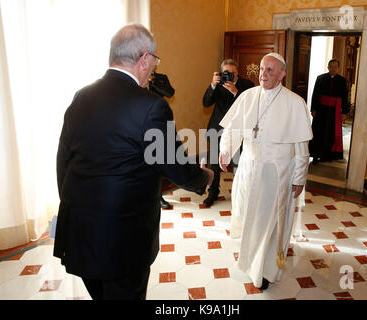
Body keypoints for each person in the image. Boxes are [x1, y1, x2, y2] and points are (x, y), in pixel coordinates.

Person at [53, 24, 214, 300]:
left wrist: (74, 207)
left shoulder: (82, 96)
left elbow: (63, 160)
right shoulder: (151, 106)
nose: (153, 68)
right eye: (154, 60)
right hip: (122, 240)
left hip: (79, 230)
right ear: (143, 59)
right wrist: (204, 178)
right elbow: (173, 164)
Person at [218, 53, 312, 290]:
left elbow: (301, 147)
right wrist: (225, 150)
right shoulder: (248, 96)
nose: (264, 74)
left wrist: (299, 177)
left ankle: (265, 270)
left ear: (282, 74)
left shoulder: (295, 103)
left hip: (277, 174)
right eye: (262, 69)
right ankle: (249, 261)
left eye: (271, 70)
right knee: (251, 218)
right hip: (249, 169)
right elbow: (232, 128)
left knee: (269, 223)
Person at [202, 59, 254, 207]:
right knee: (213, 163)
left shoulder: (247, 85)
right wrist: (212, 85)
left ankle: (240, 193)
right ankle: (213, 193)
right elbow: (205, 103)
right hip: (217, 129)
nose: (229, 76)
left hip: (239, 131)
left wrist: (235, 92)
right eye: (226, 73)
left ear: (238, 73)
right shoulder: (217, 84)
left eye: (232, 73)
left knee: (240, 162)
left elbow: (250, 107)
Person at [309, 59, 350, 163]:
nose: (333, 69)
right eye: (331, 66)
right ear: (328, 67)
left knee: (331, 133)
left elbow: (345, 97)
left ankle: (328, 155)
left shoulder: (342, 80)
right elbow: (315, 95)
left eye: (335, 67)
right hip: (321, 110)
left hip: (334, 112)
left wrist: (344, 112)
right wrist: (313, 109)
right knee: (318, 132)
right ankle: (315, 155)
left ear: (338, 68)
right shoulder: (320, 78)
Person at [148, 71, 175, 209]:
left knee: (158, 160)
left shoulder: (161, 78)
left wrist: (153, 81)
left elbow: (170, 93)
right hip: (138, 123)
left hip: (158, 123)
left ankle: (158, 196)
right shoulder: (134, 76)